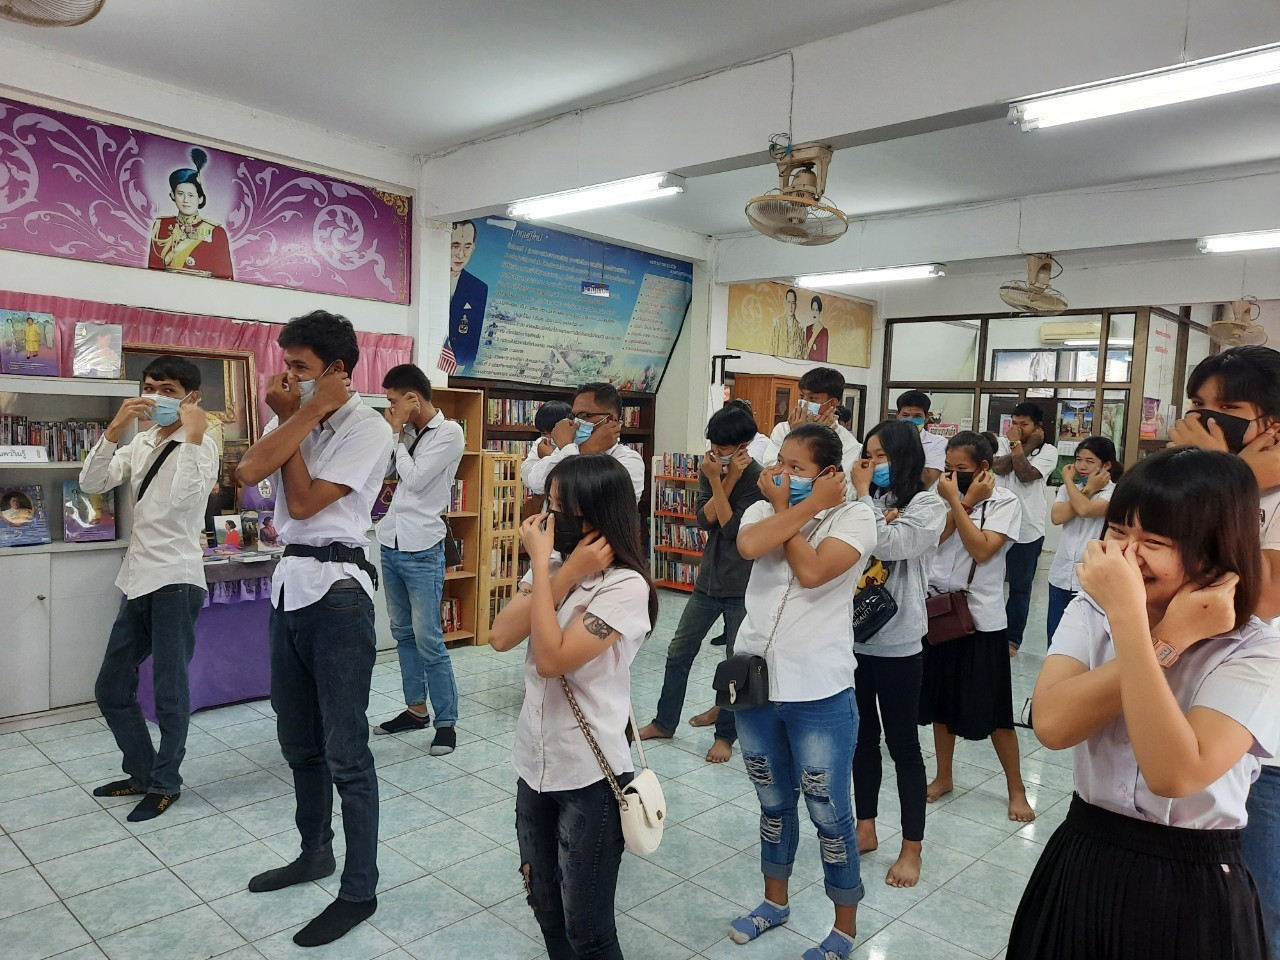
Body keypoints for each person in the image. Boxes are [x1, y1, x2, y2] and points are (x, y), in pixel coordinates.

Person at [1008, 448, 1280, 960]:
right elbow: (1053, 725)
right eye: (1117, 532)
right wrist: (1168, 638)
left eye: (1154, 542)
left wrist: (1133, 624)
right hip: (1085, 851)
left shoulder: (1256, 649)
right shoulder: (1093, 610)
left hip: (1193, 878)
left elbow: (1175, 773)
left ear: (1215, 551)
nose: (1126, 556)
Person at [235, 310, 393, 947]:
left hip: (338, 594)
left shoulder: (368, 426)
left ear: (336, 370)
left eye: (300, 367)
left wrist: (301, 416)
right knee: (298, 740)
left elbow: (302, 503)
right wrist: (299, 414)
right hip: (289, 584)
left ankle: (359, 889)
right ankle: (314, 853)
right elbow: (249, 471)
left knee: (345, 751)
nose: (287, 377)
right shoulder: (296, 417)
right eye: (286, 364)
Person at [489, 454, 657, 960]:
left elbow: (551, 660)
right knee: (544, 904)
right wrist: (559, 573)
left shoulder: (626, 586)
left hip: (590, 774)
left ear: (596, 517)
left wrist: (549, 571)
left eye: (560, 509)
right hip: (534, 761)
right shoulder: (556, 568)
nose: (546, 518)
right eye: (549, 503)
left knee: (587, 928)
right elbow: (501, 636)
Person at [727, 423, 876, 960]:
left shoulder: (855, 517)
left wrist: (804, 509)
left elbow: (812, 572)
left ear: (829, 474)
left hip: (818, 689)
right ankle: (775, 902)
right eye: (780, 464)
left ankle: (844, 928)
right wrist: (793, 505)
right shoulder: (762, 510)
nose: (782, 474)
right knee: (772, 802)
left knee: (828, 812)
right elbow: (749, 545)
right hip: (754, 683)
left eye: (797, 468)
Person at [1167, 344, 1280, 960]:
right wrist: (1225, 477)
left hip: (1260, 738)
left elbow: (1259, 599)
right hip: (1187, 710)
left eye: (1229, 409)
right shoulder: (1205, 479)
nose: (1206, 419)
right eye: (1197, 405)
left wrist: (1223, 481)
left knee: (1252, 917)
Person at [79, 356, 218, 822]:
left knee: (169, 692)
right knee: (111, 686)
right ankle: (141, 772)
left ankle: (165, 783)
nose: (157, 397)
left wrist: (193, 436)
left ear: (191, 397)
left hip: (176, 580)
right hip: (138, 577)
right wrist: (114, 428)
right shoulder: (141, 441)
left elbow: (183, 502)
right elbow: (91, 482)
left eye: (169, 390)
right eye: (151, 387)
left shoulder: (202, 446)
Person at [849, 420, 947, 888]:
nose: (873, 464)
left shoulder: (928, 504)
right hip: (853, 638)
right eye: (868, 456)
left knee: (903, 745)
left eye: (882, 456)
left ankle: (912, 847)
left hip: (900, 643)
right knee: (861, 740)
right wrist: (865, 500)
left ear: (905, 457)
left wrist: (863, 498)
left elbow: (888, 543)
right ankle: (864, 827)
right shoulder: (870, 500)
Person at [637, 404, 763, 762]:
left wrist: (728, 480)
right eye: (713, 444)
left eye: (723, 447)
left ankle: (726, 736)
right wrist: (719, 478)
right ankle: (664, 722)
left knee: (735, 665)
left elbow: (733, 528)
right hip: (707, 581)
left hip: (743, 586)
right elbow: (704, 521)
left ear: (744, 445)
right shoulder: (709, 469)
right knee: (678, 651)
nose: (715, 452)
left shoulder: (758, 478)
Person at [922, 431, 1035, 822]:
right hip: (940, 610)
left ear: (984, 468)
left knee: (996, 712)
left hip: (981, 619)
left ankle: (1016, 789)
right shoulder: (939, 495)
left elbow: (983, 549)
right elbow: (933, 541)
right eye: (948, 468)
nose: (952, 475)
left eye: (962, 469)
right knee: (941, 706)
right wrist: (959, 500)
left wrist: (959, 502)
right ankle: (944, 776)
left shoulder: (1005, 501)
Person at [371, 364, 466, 753]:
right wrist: (394, 434)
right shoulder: (406, 433)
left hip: (423, 548)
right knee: (402, 634)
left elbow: (414, 479)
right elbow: (382, 471)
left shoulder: (450, 433)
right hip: (391, 542)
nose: (390, 409)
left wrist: (395, 433)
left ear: (413, 397)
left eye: (393, 401)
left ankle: (446, 722)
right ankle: (415, 710)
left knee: (428, 639)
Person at [992, 402, 1059, 654]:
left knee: (1020, 588)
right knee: (989, 582)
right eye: (1014, 423)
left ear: (1038, 427)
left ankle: (1011, 639)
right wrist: (1021, 444)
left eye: (1024, 424)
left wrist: (1020, 446)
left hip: (1027, 529)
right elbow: (999, 467)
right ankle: (988, 634)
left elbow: (1025, 474)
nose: (1017, 429)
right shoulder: (1003, 442)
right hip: (996, 524)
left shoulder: (1049, 451)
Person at [1046, 436, 1121, 645]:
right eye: (1078, 460)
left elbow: (1086, 510)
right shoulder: (1068, 489)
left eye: (1090, 461)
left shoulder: (1114, 492)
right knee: (1056, 638)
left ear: (1106, 465)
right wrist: (1077, 487)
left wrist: (1074, 484)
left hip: (1092, 577)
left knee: (1085, 642)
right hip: (1061, 575)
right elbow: (1057, 517)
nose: (1081, 466)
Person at [524, 382, 645, 502]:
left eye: (585, 415)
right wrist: (584, 450)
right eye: (574, 416)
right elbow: (535, 483)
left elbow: (585, 500)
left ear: (611, 419)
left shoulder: (628, 459)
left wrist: (577, 451)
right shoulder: (570, 448)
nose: (577, 422)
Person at [147, 148, 234, 279]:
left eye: (191, 195)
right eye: (180, 194)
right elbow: (151, 274)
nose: (186, 200)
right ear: (172, 195)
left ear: (200, 198)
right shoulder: (161, 225)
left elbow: (225, 279)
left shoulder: (216, 232)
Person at [763, 367, 862, 480]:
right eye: (802, 397)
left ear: (832, 403)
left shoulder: (849, 444)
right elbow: (770, 472)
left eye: (812, 398)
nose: (804, 403)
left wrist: (814, 436)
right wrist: (797, 433)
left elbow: (838, 484)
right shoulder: (783, 429)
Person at [445, 219, 489, 374]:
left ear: (473, 247)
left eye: (467, 247)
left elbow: (474, 336)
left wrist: (465, 369)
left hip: (458, 369)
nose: (461, 254)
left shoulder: (478, 288)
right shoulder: (427, 280)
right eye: (455, 245)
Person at [520, 399, 574, 500]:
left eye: (553, 432)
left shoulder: (575, 444)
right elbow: (526, 477)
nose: (550, 437)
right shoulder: (541, 442)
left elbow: (567, 479)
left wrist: (548, 457)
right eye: (544, 433)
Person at [895, 389, 947, 487]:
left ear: (926, 417)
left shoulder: (937, 442)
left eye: (917, 416)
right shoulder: (886, 439)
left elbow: (927, 479)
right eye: (905, 415)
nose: (910, 420)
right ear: (897, 416)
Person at [770, 287, 806, 359]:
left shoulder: (800, 329)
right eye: (789, 302)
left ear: (796, 305)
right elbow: (772, 349)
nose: (791, 306)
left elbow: (804, 354)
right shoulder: (778, 324)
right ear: (785, 303)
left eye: (793, 303)